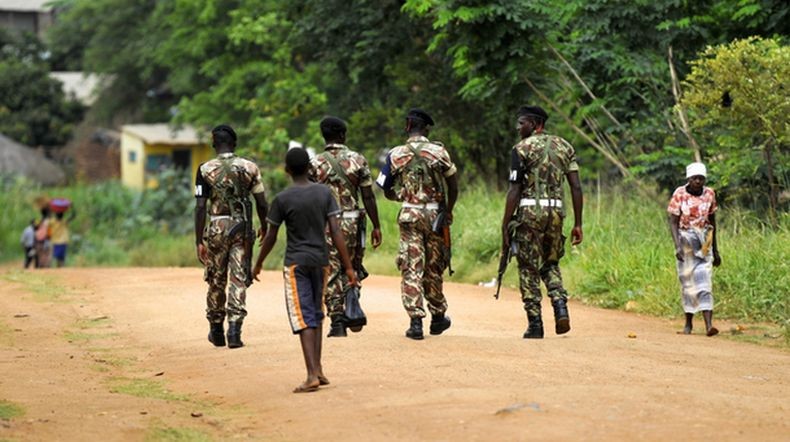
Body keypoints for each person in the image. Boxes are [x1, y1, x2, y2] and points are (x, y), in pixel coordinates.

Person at [253, 147, 357, 393]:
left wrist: (258, 263)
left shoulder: (282, 199)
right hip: (321, 262)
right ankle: (318, 369)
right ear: (310, 168)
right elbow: (336, 231)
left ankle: (311, 374)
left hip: (296, 263)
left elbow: (270, 237)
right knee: (317, 313)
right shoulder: (324, 193)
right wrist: (349, 267)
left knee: (304, 317)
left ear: (287, 170)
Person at [501, 105, 583, 339]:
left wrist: (505, 223)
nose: (519, 129)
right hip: (557, 214)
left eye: (522, 124)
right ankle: (559, 305)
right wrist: (578, 223)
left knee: (528, 266)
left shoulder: (520, 149)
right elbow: (576, 187)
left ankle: (535, 323)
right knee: (551, 261)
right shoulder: (565, 146)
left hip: (530, 214)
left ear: (535, 124)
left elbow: (514, 189)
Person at [376, 108, 458, 340]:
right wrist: (448, 210)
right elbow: (453, 184)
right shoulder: (439, 152)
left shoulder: (395, 154)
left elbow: (383, 185)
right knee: (434, 267)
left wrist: (401, 195)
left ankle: (415, 323)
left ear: (407, 126)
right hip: (434, 217)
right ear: (426, 128)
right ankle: (438, 316)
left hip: (410, 215)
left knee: (412, 266)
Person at [195, 124, 268, 349]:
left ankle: (216, 329)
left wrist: (199, 240)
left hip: (216, 227)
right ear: (234, 144)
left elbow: (199, 206)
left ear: (214, 144)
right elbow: (262, 202)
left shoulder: (204, 169)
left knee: (216, 278)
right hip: (242, 227)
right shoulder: (250, 167)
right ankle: (235, 331)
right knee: (238, 277)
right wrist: (265, 226)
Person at [309, 116, 382, 337]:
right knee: (353, 265)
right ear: (343, 135)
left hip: (326, 224)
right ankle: (352, 303)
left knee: (330, 269)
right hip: (353, 221)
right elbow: (368, 196)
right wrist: (376, 226)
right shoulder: (358, 160)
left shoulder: (314, 163)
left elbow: (311, 198)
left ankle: (337, 321)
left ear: (324, 136)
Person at [668, 162, 721, 337]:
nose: (698, 182)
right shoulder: (679, 194)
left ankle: (708, 325)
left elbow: (713, 221)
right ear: (688, 179)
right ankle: (688, 324)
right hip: (686, 239)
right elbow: (673, 222)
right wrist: (677, 246)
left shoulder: (710, 194)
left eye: (701, 179)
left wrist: (716, 250)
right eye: (694, 179)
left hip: (705, 239)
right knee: (688, 281)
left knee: (705, 280)